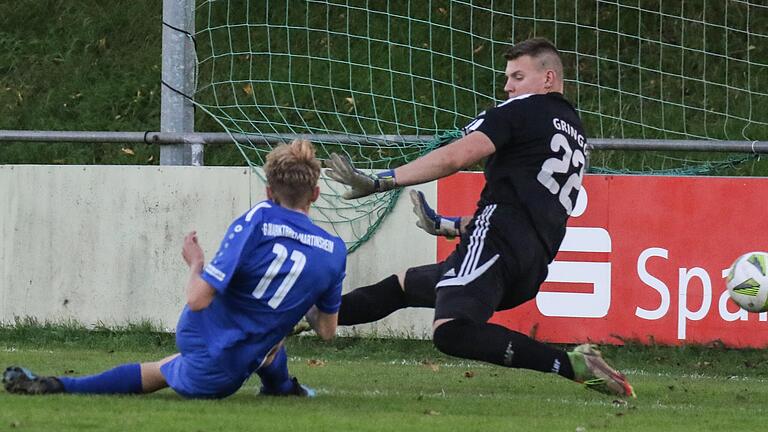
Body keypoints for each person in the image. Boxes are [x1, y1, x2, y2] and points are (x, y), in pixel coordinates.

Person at [325, 38, 635, 398]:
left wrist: (384, 180)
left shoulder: (520, 110)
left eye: (517, 76)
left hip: (497, 243)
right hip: (531, 262)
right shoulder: (574, 130)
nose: (508, 87)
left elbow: (457, 156)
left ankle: (570, 365)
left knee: (451, 331)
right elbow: (527, 205)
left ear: (548, 78)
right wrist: (450, 226)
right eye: (507, 78)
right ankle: (303, 315)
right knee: (402, 286)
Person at [3, 139, 347, 399]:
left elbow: (198, 300)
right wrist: (303, 298)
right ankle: (284, 389)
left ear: (269, 191)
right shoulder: (333, 251)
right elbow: (327, 331)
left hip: (207, 340)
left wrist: (196, 264)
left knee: (165, 369)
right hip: (231, 359)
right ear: (315, 194)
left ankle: (61, 385)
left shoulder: (259, 216)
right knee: (267, 339)